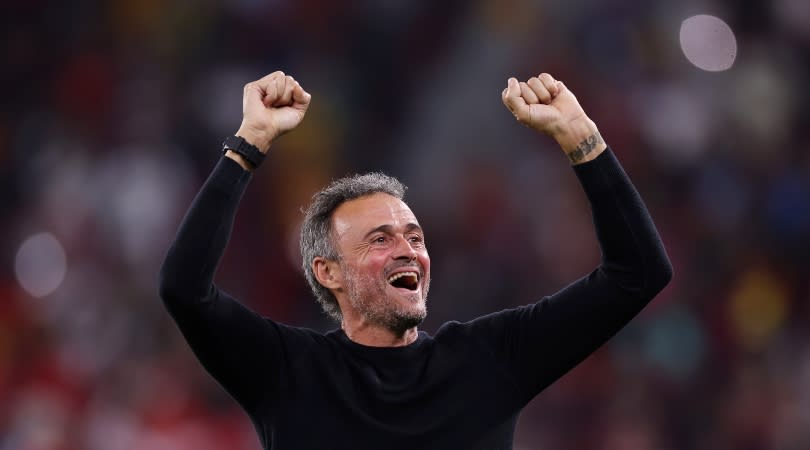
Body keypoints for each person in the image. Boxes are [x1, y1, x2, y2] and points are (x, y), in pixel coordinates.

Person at [159, 70, 672, 449]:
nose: (408, 250)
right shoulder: (288, 371)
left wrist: (581, 137)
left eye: (414, 236)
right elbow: (184, 287)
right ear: (327, 271)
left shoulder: (488, 360)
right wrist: (248, 145)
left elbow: (638, 273)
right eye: (379, 239)